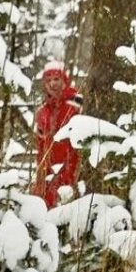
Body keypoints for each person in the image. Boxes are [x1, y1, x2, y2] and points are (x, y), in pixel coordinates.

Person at [34, 61, 83, 207]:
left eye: (56, 79)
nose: (52, 84)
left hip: (71, 168)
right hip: (48, 172)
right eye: (48, 80)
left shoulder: (75, 103)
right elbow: (40, 146)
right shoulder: (43, 111)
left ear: (64, 80)